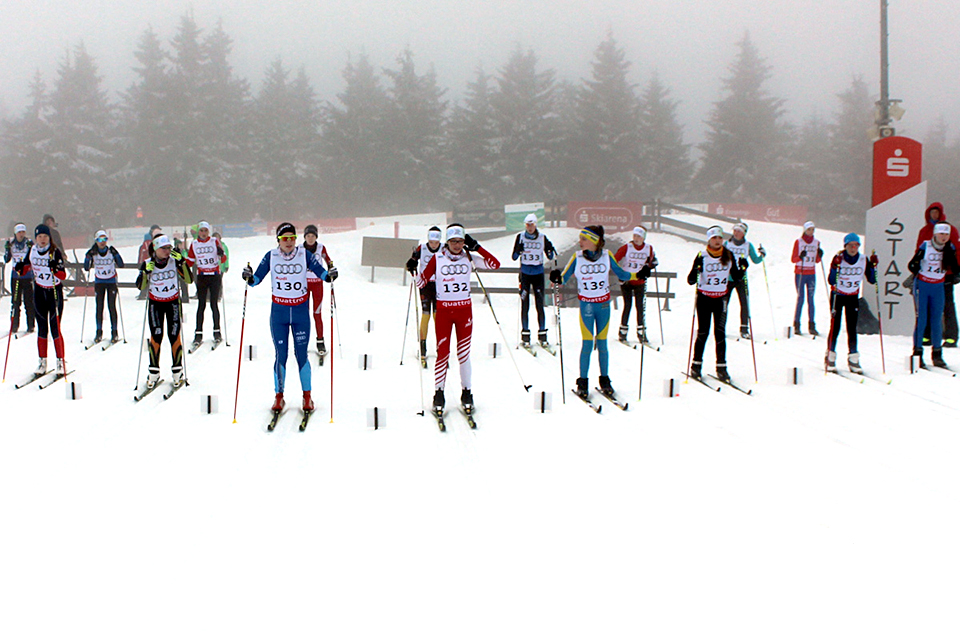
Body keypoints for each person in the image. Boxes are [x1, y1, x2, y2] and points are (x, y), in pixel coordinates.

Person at [242, 223, 337, 412]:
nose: (289, 242)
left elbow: (321, 272)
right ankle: (279, 397)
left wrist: (330, 276)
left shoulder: (304, 254)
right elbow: (257, 279)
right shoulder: (271, 256)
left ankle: (307, 397)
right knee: (281, 355)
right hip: (279, 313)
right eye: (285, 238)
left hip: (300, 312)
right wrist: (248, 277)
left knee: (301, 355)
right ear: (278, 239)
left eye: (292, 238)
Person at [416, 223, 500, 412]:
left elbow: (495, 264)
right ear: (447, 241)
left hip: (464, 312)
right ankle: (439, 392)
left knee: (464, 354)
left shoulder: (469, 257)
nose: (457, 245)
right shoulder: (438, 258)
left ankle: (467, 392)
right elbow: (422, 282)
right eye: (453, 241)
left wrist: (477, 247)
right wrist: (413, 270)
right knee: (443, 353)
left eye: (460, 241)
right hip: (444, 311)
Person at [549, 225, 635, 399]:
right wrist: (556, 278)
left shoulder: (607, 256)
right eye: (580, 239)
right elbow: (563, 278)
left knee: (602, 344)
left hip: (603, 305)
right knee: (587, 344)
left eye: (584, 239)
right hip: (587, 306)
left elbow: (622, 275)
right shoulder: (577, 257)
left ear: (594, 241)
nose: (580, 242)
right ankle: (583, 381)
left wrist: (640, 273)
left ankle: (605, 380)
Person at [686, 225, 746, 382]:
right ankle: (696, 366)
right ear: (709, 240)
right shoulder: (702, 256)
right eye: (714, 238)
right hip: (704, 298)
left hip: (721, 299)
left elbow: (737, 277)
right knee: (703, 332)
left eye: (719, 238)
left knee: (720, 333)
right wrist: (696, 270)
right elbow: (691, 280)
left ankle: (722, 368)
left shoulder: (729, 255)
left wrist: (743, 268)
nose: (717, 241)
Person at [135, 235, 192, 389]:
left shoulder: (174, 261)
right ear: (156, 249)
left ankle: (177, 371)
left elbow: (188, 279)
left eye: (169, 248)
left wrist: (182, 262)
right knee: (156, 335)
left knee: (174, 335)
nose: (168, 251)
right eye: (164, 248)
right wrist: (145, 273)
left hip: (172, 302)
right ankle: (153, 372)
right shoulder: (148, 263)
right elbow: (141, 287)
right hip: (156, 303)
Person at [14, 224, 67, 375]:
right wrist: (20, 267)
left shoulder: (54, 252)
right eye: (39, 237)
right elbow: (25, 267)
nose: (42, 240)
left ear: (49, 237)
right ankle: (42, 362)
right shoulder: (32, 250)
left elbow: (63, 275)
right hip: (39, 291)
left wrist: (55, 269)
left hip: (53, 292)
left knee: (55, 327)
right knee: (42, 327)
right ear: (36, 238)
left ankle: (60, 361)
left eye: (45, 236)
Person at [908, 223, 959, 369]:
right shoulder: (926, 246)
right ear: (935, 234)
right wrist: (916, 265)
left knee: (937, 320)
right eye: (941, 234)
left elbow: (955, 267)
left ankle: (937, 354)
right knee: (922, 319)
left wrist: (955, 274)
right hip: (923, 286)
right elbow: (912, 265)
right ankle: (917, 353)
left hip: (938, 286)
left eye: (946, 234)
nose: (944, 237)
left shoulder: (950, 248)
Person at [825, 234, 878, 373]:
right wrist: (835, 266)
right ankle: (830, 355)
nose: (853, 248)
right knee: (835, 326)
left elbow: (872, 280)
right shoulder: (839, 258)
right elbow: (831, 280)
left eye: (856, 245)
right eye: (850, 245)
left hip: (852, 296)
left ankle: (853, 358)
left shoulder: (863, 259)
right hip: (838, 295)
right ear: (845, 246)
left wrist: (873, 266)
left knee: (852, 327)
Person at [915, 202, 959, 348]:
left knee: (947, 304)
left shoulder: (950, 229)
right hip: (926, 274)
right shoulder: (924, 231)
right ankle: (926, 336)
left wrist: (956, 271)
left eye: (937, 213)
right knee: (926, 306)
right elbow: (919, 251)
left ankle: (951, 335)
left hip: (946, 273)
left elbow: (956, 250)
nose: (934, 215)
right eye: (932, 213)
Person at [511, 213, 556, 348]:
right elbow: (513, 257)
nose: (530, 228)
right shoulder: (520, 237)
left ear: (535, 225)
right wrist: (518, 250)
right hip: (525, 274)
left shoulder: (542, 238)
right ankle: (525, 335)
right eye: (527, 225)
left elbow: (551, 255)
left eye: (532, 225)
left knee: (539, 304)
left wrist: (549, 250)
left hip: (538, 274)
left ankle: (542, 335)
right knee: (525, 304)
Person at [186, 221, 227, 348]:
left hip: (214, 275)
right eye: (201, 231)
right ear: (198, 232)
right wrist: (180, 260)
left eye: (205, 231)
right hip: (202, 276)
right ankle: (198, 334)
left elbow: (223, 258)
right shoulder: (194, 244)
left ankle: (217, 332)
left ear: (208, 231)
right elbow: (190, 261)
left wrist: (221, 254)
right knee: (201, 304)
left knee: (214, 304)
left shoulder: (214, 241)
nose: (203, 233)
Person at [614, 226, 656, 344]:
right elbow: (614, 259)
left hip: (640, 281)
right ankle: (623, 332)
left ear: (643, 238)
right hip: (627, 281)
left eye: (639, 236)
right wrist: (620, 273)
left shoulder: (648, 248)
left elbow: (650, 261)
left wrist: (651, 265)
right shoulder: (627, 247)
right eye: (635, 236)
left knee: (640, 307)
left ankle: (641, 332)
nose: (636, 238)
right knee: (627, 305)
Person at [723, 222, 766, 339]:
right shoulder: (727, 244)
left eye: (739, 231)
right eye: (735, 230)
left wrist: (762, 255)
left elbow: (756, 260)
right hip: (728, 278)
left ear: (744, 233)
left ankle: (744, 329)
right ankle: (721, 328)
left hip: (742, 278)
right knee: (724, 304)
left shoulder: (748, 245)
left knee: (744, 303)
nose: (736, 233)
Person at [406, 226, 442, 360]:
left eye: (436, 242)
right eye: (432, 242)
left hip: (440, 285)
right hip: (425, 285)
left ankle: (440, 347)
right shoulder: (422, 248)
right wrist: (411, 265)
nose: (434, 245)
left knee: (437, 316)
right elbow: (411, 261)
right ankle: (423, 347)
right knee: (426, 314)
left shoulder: (444, 248)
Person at [83, 230, 124, 343]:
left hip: (111, 282)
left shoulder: (110, 251)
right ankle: (99, 332)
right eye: (100, 240)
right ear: (96, 241)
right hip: (99, 282)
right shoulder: (93, 252)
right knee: (99, 307)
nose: (102, 242)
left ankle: (114, 332)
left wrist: (116, 254)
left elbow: (121, 264)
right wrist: (88, 257)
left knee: (111, 306)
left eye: (104, 239)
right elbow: (86, 267)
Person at [301, 224, 334, 357]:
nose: (310, 239)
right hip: (303, 285)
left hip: (318, 285)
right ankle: (302, 341)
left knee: (317, 313)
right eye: (308, 236)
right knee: (304, 314)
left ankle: (320, 340)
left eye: (313, 236)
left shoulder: (321, 248)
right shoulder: (299, 249)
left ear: (316, 237)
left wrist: (331, 269)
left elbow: (328, 260)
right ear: (305, 237)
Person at [791, 221, 823, 336]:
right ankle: (797, 324)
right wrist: (800, 257)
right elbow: (793, 259)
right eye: (809, 229)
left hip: (811, 273)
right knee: (801, 298)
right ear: (804, 230)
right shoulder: (798, 242)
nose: (811, 232)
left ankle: (812, 325)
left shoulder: (816, 242)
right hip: (800, 272)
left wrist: (820, 254)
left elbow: (817, 260)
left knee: (811, 299)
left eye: (813, 230)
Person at [4, 223, 36, 334]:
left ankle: (31, 325)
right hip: (15, 276)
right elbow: (6, 259)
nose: (21, 234)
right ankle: (14, 325)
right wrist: (7, 249)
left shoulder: (28, 243)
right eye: (19, 232)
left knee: (29, 302)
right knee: (15, 302)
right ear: (15, 233)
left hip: (27, 276)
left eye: (23, 232)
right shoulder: (11, 243)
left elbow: (33, 257)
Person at [137, 225, 162, 300]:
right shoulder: (148, 242)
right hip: (148, 262)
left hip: (147, 262)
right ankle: (145, 293)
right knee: (147, 277)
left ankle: (144, 293)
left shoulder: (147, 242)